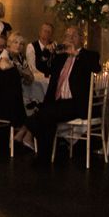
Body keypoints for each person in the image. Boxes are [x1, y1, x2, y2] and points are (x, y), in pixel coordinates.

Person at [13, 26, 101, 161]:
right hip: (59, 101)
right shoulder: (60, 57)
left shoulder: (89, 55)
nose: (69, 39)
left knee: (45, 113)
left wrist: (76, 54)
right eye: (67, 36)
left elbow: (96, 68)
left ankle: (33, 141)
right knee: (46, 114)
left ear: (81, 39)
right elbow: (42, 67)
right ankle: (44, 156)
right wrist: (48, 52)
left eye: (73, 36)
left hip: (77, 103)